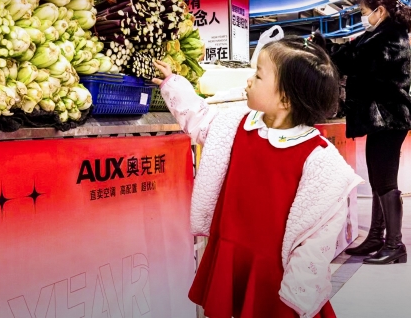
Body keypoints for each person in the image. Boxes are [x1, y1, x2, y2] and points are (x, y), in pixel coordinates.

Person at [152, 36, 363, 318]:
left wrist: (302, 286)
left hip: (274, 273)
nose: (249, 81)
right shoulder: (236, 124)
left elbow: (320, 230)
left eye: (259, 75)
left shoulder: (319, 158)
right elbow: (199, 119)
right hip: (231, 252)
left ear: (285, 98)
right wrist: (173, 84)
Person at [310, 0, 411, 265]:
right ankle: (376, 237)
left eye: (364, 11)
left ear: (380, 11)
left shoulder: (390, 37)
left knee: (384, 180)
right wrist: (327, 45)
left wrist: (324, 46)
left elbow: (353, 59)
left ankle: (395, 245)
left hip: (390, 118)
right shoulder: (381, 34)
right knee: (378, 180)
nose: (363, 16)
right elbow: (351, 53)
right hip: (383, 119)